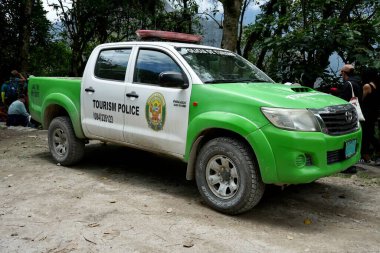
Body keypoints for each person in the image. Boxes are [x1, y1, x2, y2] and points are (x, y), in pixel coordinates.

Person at [338, 64, 362, 173]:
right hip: (355, 114)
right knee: (352, 138)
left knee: (344, 139)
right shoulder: (358, 82)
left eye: (341, 72)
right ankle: (351, 163)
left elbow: (342, 101)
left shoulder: (348, 84)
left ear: (344, 73)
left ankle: (347, 165)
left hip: (346, 116)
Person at [360, 68, 380, 164]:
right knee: (370, 133)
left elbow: (362, 99)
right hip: (374, 113)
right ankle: (368, 155)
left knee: (366, 135)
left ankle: (366, 155)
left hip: (366, 114)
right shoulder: (376, 85)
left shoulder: (367, 86)